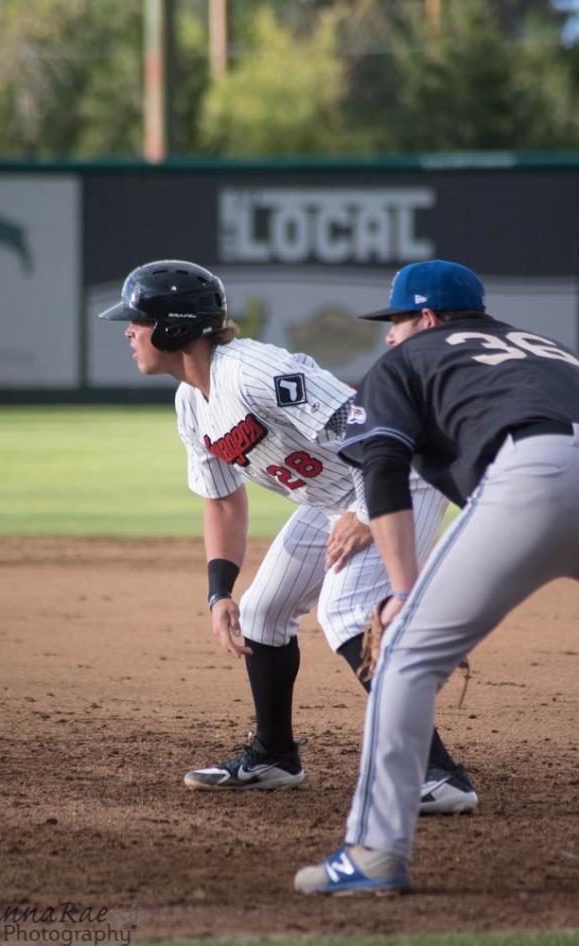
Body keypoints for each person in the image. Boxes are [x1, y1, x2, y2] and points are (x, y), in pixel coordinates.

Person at [98, 258, 477, 813]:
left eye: (138, 319)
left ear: (175, 327)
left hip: (400, 477)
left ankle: (439, 774)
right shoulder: (190, 403)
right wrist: (219, 590)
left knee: (346, 613)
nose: (129, 331)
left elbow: (375, 426)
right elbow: (223, 499)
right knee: (262, 613)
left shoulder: (254, 371)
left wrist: (369, 510)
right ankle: (275, 756)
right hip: (334, 497)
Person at [294, 258, 579, 895]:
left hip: (536, 476)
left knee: (402, 653)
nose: (388, 336)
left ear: (425, 317)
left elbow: (384, 468)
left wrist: (403, 591)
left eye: (395, 321)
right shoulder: (549, 349)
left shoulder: (407, 360)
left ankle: (373, 854)